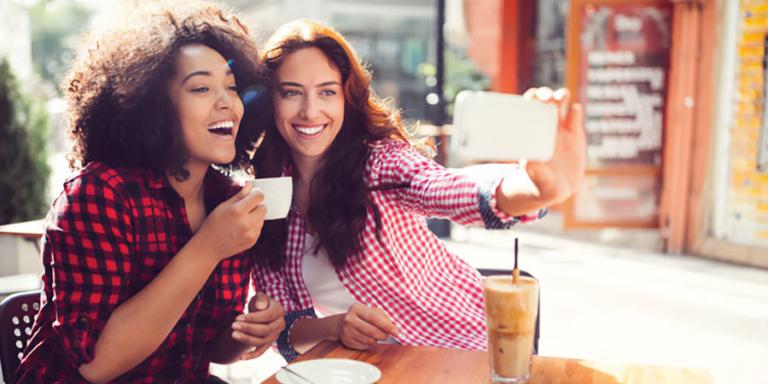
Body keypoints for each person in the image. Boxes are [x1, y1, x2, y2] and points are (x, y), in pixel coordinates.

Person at [248, 19, 586, 362]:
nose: (310, 111)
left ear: (346, 99)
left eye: (327, 92)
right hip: (376, 368)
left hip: (468, 353)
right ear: (268, 101)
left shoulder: (379, 163)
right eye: (291, 92)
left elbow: (449, 188)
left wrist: (533, 188)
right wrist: (333, 327)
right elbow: (283, 331)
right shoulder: (268, 197)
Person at [16, 3, 285, 382]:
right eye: (201, 88)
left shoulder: (226, 200)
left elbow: (208, 345)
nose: (227, 102)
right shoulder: (100, 194)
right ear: (152, 107)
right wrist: (208, 247)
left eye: (231, 87)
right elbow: (96, 365)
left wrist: (246, 333)